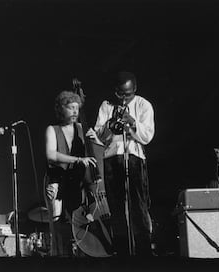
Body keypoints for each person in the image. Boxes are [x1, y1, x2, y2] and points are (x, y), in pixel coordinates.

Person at [88, 71, 155, 256]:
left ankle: (143, 249)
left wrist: (132, 122)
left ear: (134, 90)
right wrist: (110, 124)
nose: (124, 98)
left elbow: (147, 136)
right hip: (112, 157)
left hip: (134, 155)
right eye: (120, 94)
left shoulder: (143, 105)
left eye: (128, 94)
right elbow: (99, 135)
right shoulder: (106, 105)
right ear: (115, 91)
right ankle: (122, 250)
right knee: (116, 205)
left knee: (137, 204)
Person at [44, 90, 97, 257]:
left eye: (77, 108)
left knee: (80, 224)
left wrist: (96, 139)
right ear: (61, 109)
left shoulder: (82, 128)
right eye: (71, 107)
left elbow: (97, 152)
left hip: (77, 183)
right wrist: (77, 160)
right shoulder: (52, 130)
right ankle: (60, 260)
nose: (75, 111)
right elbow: (51, 155)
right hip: (57, 181)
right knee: (59, 226)